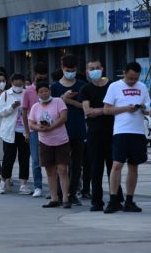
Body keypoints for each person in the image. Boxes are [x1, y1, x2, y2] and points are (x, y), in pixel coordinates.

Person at [103, 62, 150, 213]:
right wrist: (125, 108)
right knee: (116, 164)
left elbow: (148, 110)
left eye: (135, 79)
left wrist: (143, 108)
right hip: (121, 131)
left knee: (134, 166)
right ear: (124, 73)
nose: (132, 82)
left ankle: (129, 200)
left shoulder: (142, 87)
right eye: (130, 78)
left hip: (138, 132)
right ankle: (113, 199)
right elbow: (107, 109)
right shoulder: (114, 86)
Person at [80, 60, 124, 211]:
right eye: (91, 69)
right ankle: (96, 201)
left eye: (97, 68)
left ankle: (117, 198)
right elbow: (87, 111)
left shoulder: (113, 86)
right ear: (87, 71)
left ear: (103, 68)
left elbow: (118, 107)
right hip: (94, 134)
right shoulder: (86, 89)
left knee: (114, 166)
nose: (95, 71)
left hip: (114, 132)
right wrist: (106, 109)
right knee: (96, 168)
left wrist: (99, 110)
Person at [50, 54, 86, 206]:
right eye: (67, 69)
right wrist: (61, 99)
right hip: (60, 130)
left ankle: (72, 192)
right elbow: (51, 109)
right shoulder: (55, 87)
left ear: (76, 69)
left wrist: (68, 100)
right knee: (61, 164)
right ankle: (59, 192)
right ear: (62, 68)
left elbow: (85, 107)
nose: (69, 72)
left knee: (77, 164)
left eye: (72, 70)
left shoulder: (82, 85)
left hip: (78, 129)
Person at [29, 81, 71, 208]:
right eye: (41, 91)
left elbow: (63, 117)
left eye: (46, 91)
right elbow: (31, 122)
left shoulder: (58, 101)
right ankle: (54, 198)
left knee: (63, 169)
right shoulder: (35, 107)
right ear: (37, 94)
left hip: (61, 140)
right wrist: (39, 127)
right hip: (45, 141)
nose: (44, 93)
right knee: (50, 170)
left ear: (50, 91)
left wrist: (51, 127)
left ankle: (65, 198)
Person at [0, 73, 32, 194]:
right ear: (11, 83)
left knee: (24, 158)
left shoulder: (27, 93)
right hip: (9, 131)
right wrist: (12, 107)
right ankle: (3, 182)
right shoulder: (6, 94)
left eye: (20, 84)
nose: (17, 86)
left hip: (24, 131)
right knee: (8, 158)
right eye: (15, 84)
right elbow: (0, 112)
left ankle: (23, 184)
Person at [22, 62, 48, 198]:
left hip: (49, 129)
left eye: (44, 76)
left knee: (51, 160)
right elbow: (24, 112)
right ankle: (38, 186)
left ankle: (54, 187)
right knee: (36, 160)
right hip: (34, 130)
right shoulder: (28, 91)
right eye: (40, 76)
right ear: (35, 75)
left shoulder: (49, 89)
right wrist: (27, 131)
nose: (42, 78)